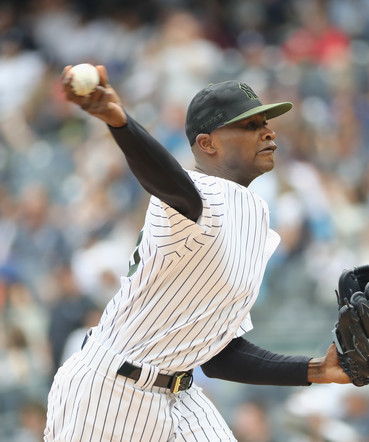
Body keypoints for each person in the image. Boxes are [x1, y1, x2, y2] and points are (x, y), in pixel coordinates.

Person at [44, 64, 351, 441]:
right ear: (207, 144)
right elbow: (169, 182)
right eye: (250, 125)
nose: (268, 131)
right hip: (109, 392)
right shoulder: (190, 196)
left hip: (180, 391)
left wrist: (317, 370)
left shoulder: (253, 212)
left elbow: (220, 355)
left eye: (265, 123)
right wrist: (120, 122)